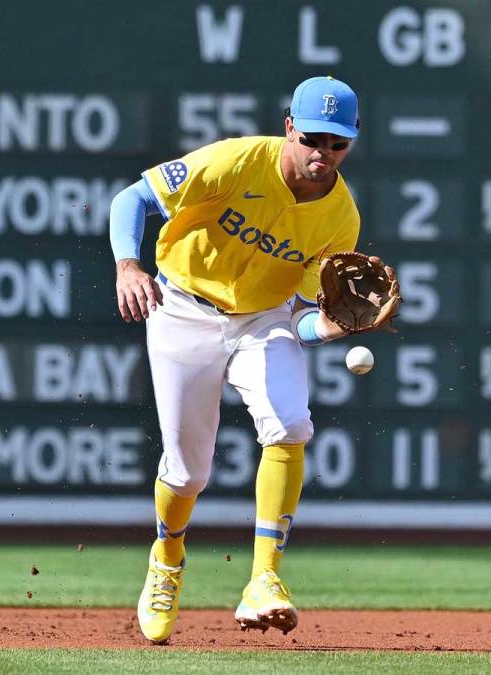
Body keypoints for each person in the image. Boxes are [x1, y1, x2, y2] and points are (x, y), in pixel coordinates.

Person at [108, 76, 395, 644]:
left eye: (337, 144)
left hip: (263, 320)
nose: (323, 154)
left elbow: (304, 320)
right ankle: (166, 559)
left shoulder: (341, 218)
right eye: (312, 138)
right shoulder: (236, 162)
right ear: (289, 126)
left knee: (290, 424)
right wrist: (127, 266)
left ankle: (264, 578)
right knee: (188, 470)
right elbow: (132, 199)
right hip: (182, 306)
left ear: (353, 142)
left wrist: (334, 325)